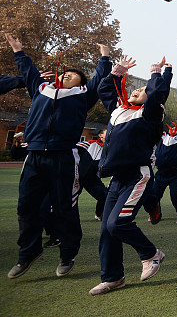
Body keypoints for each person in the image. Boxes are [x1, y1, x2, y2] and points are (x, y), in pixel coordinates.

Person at [5, 33, 111, 280]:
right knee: (26, 207)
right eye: (65, 73)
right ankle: (28, 253)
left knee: (65, 207)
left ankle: (68, 254)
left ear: (80, 82)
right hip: (34, 157)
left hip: (63, 157)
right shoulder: (41, 89)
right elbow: (29, 71)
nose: (66, 75)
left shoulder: (83, 96)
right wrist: (18, 51)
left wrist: (104, 56)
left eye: (73, 75)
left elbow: (98, 79)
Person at [90, 55, 171, 295]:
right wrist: (117, 72)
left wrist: (156, 74)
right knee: (107, 230)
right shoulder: (119, 110)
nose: (137, 90)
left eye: (144, 89)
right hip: (118, 179)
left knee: (118, 223)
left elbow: (156, 96)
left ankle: (151, 254)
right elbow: (105, 89)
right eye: (136, 88)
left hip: (138, 176)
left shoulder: (149, 115)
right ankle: (113, 278)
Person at [75, 129, 108, 221]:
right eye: (107, 131)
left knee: (104, 196)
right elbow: (72, 149)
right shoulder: (89, 144)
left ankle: (99, 214)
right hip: (77, 178)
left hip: (92, 179)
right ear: (100, 136)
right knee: (71, 200)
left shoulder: (110, 150)